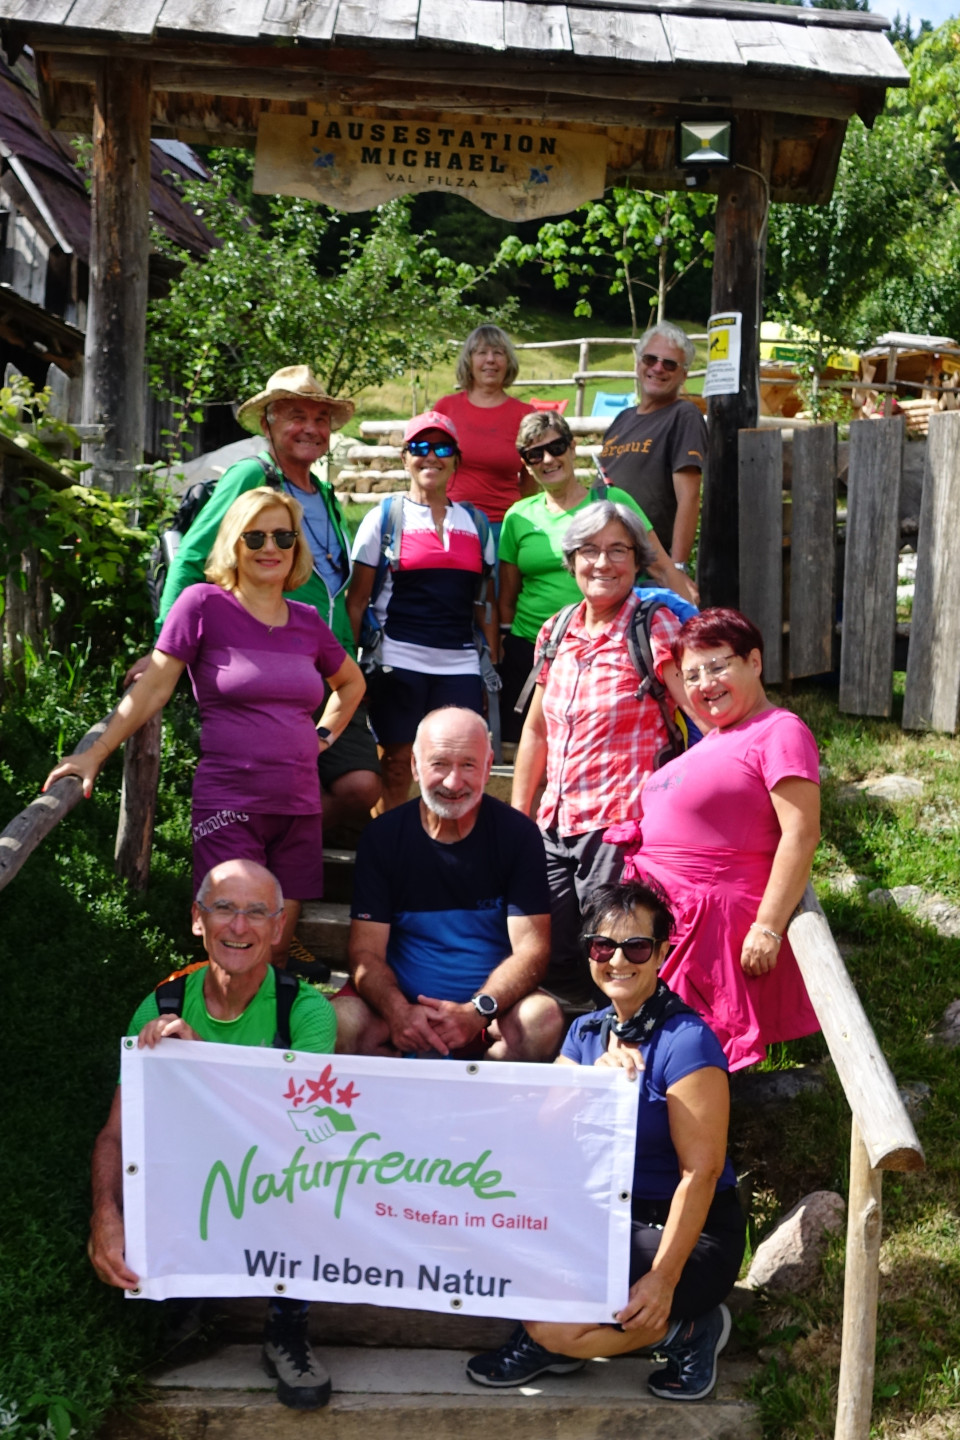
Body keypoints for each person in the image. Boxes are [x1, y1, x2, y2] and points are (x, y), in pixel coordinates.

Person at [44, 487, 365, 966]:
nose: (271, 547)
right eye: (255, 537)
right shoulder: (202, 605)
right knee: (233, 940)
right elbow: (154, 687)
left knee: (276, 946)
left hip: (298, 804)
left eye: (283, 536)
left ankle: (269, 1017)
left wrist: (321, 738)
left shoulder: (307, 620)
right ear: (234, 543)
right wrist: (97, 751)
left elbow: (351, 684)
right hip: (230, 803)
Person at [466, 878, 745, 1402]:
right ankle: (557, 1337)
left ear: (662, 952)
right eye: (602, 946)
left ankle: (687, 1330)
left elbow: (702, 1172)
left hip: (682, 1232)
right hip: (606, 1216)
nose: (617, 960)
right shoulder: (586, 1032)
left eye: (636, 947)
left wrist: (663, 1279)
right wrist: (588, 1083)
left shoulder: (687, 1042)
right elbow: (542, 1130)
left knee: (553, 1325)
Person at [88, 858, 337, 1411]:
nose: (239, 926)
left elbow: (302, 1133)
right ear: (198, 919)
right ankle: (180, 1306)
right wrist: (104, 1215)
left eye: (256, 912)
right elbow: (116, 1135)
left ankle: (287, 1325)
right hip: (194, 1176)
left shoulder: (307, 1011)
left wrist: (199, 1061)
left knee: (311, 1173)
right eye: (224, 908)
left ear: (279, 927)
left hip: (272, 1178)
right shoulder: (162, 1005)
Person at [151, 364, 382, 832]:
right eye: (296, 416)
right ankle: (260, 842)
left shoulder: (325, 494)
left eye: (321, 419)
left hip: (327, 662)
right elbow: (193, 556)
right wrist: (163, 647)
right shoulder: (251, 476)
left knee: (361, 787)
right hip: (267, 656)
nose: (311, 428)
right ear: (268, 423)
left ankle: (275, 832)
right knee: (286, 779)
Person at [610, 608, 821, 1071]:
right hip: (663, 921)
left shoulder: (779, 730)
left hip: (710, 924)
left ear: (754, 662)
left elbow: (801, 833)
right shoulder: (712, 738)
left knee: (681, 1055)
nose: (705, 684)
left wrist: (768, 927)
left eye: (717, 666)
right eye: (692, 675)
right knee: (645, 1058)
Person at [511, 500, 687, 1003]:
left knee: (613, 950)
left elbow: (699, 716)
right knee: (549, 950)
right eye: (589, 550)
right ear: (571, 561)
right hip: (554, 825)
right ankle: (574, 1034)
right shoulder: (557, 629)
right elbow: (537, 731)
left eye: (617, 550)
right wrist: (520, 815)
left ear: (637, 560)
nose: (602, 563)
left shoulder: (654, 627)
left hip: (619, 828)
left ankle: (621, 1033)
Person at [333, 707, 563, 1061]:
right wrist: (398, 1011)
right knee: (341, 1021)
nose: (454, 783)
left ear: (488, 767)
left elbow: (532, 951)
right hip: (401, 1014)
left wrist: (477, 1011)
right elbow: (365, 953)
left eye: (468, 765)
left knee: (541, 1019)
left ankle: (492, 1095)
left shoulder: (518, 835)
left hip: (488, 1013)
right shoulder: (383, 837)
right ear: (415, 766)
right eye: (439, 764)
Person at [498, 410, 698, 738]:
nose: (548, 459)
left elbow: (661, 567)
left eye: (556, 447)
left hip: (605, 643)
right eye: (535, 454)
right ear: (526, 463)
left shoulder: (612, 502)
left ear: (572, 448)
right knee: (527, 741)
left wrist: (696, 627)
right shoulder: (518, 516)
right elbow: (507, 596)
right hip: (532, 647)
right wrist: (504, 648)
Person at [346, 412, 497, 812]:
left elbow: (484, 603)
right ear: (404, 458)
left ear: (456, 460)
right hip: (397, 659)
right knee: (396, 765)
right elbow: (356, 600)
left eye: (442, 449)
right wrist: (349, 673)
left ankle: (446, 843)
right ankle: (390, 841)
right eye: (420, 447)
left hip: (460, 663)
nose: (431, 456)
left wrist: (491, 664)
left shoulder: (476, 523)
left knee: (457, 765)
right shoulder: (384, 517)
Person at [598, 322, 707, 573]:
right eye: (650, 359)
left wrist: (676, 568)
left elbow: (689, 497)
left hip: (647, 565)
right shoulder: (622, 419)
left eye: (670, 364)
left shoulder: (683, 416)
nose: (658, 368)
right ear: (638, 364)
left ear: (684, 375)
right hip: (604, 557)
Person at [433, 324, 535, 535]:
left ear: (508, 362)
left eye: (498, 353)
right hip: (452, 523)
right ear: (469, 361)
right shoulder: (446, 409)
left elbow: (531, 482)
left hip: (505, 527)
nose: (490, 360)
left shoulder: (526, 415)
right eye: (481, 353)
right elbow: (429, 467)